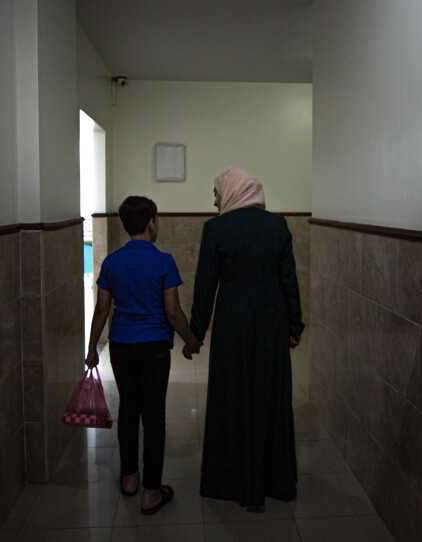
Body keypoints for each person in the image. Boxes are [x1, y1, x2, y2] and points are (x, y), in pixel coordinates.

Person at [187, 166, 304, 510]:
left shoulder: (216, 229)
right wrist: (295, 326)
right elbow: (289, 281)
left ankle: (231, 481)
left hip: (232, 320)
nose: (215, 199)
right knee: (270, 393)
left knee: (232, 393)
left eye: (217, 193)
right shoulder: (277, 225)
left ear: (231, 191)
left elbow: (205, 285)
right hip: (272, 318)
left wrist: (195, 333)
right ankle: (274, 480)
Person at [85, 195, 202, 516]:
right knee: (153, 418)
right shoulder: (164, 261)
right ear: (152, 222)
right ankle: (152, 492)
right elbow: (174, 312)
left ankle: (129, 478)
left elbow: (101, 309)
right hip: (154, 349)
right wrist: (191, 341)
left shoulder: (112, 262)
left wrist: (91, 349)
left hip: (121, 347)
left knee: (129, 410)